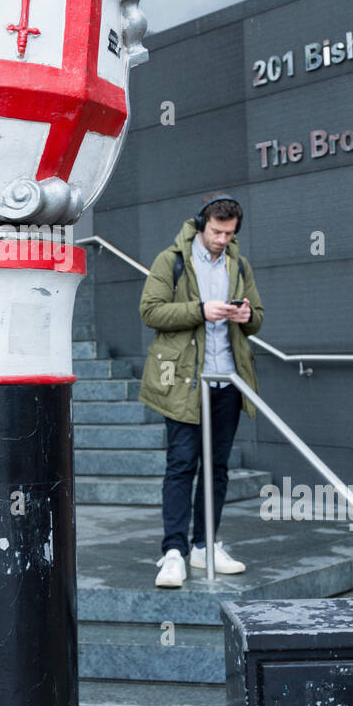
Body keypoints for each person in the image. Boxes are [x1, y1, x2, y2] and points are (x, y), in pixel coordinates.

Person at [138, 195, 264, 588]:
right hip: (183, 384)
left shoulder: (238, 264)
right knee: (181, 466)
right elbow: (150, 311)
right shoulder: (171, 260)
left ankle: (204, 546)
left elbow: (257, 318)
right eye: (215, 231)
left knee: (217, 470)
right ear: (201, 225)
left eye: (228, 233)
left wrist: (244, 316)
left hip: (227, 382)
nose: (221, 239)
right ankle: (173, 552)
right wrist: (200, 309)